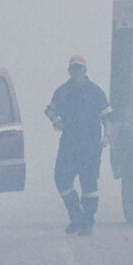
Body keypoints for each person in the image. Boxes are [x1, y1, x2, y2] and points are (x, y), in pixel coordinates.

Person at [45, 55, 112, 236]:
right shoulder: (62, 92)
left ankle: (87, 222)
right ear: (69, 71)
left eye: (79, 68)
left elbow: (107, 117)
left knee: (89, 184)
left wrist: (107, 136)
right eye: (73, 68)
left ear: (85, 70)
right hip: (69, 144)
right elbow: (49, 110)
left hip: (90, 145)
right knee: (61, 179)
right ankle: (76, 216)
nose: (76, 72)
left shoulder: (96, 92)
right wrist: (55, 119)